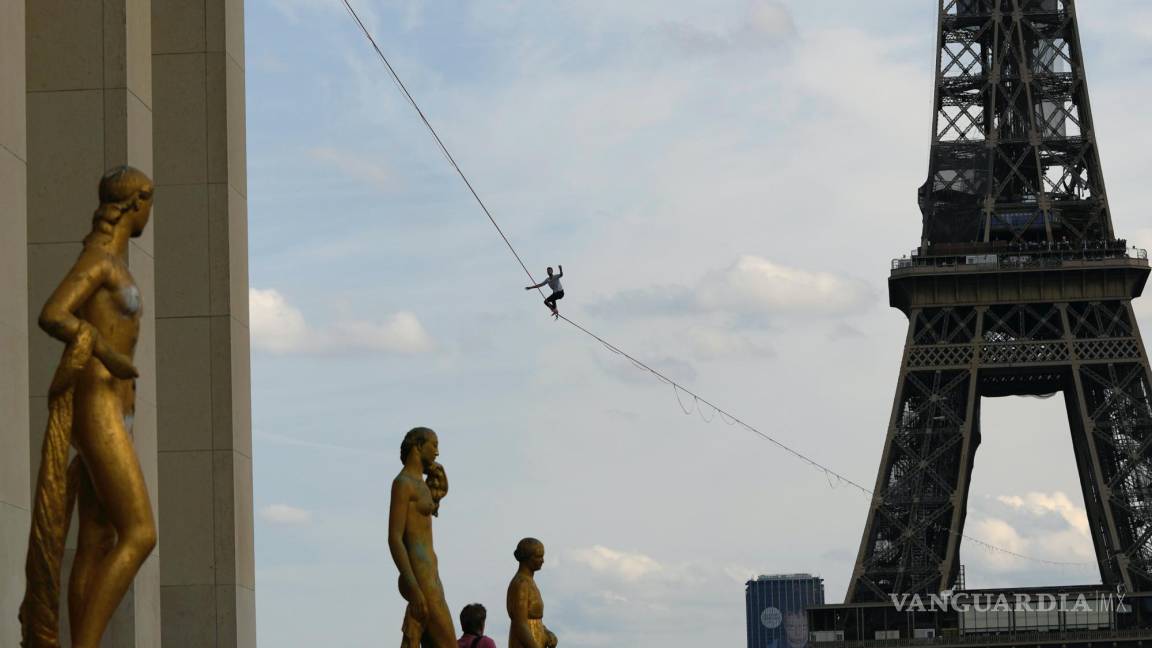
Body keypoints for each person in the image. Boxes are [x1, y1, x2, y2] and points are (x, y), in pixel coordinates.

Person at [21, 166, 157, 648]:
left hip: (117, 410)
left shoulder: (118, 265)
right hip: (96, 403)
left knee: (98, 540)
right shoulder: (98, 260)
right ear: (134, 203)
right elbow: (53, 313)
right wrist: (104, 351)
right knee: (141, 532)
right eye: (149, 201)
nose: (150, 212)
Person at [390, 428, 458, 648]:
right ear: (418, 446)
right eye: (434, 445)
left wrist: (438, 474)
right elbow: (394, 538)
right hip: (420, 578)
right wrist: (413, 587)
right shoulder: (403, 483)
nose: (437, 452)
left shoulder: (421, 485)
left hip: (431, 576)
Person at [507, 538, 558, 648]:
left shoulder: (530, 582)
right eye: (538, 556)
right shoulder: (521, 584)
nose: (542, 560)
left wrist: (546, 633)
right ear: (527, 558)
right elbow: (520, 624)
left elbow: (535, 621)